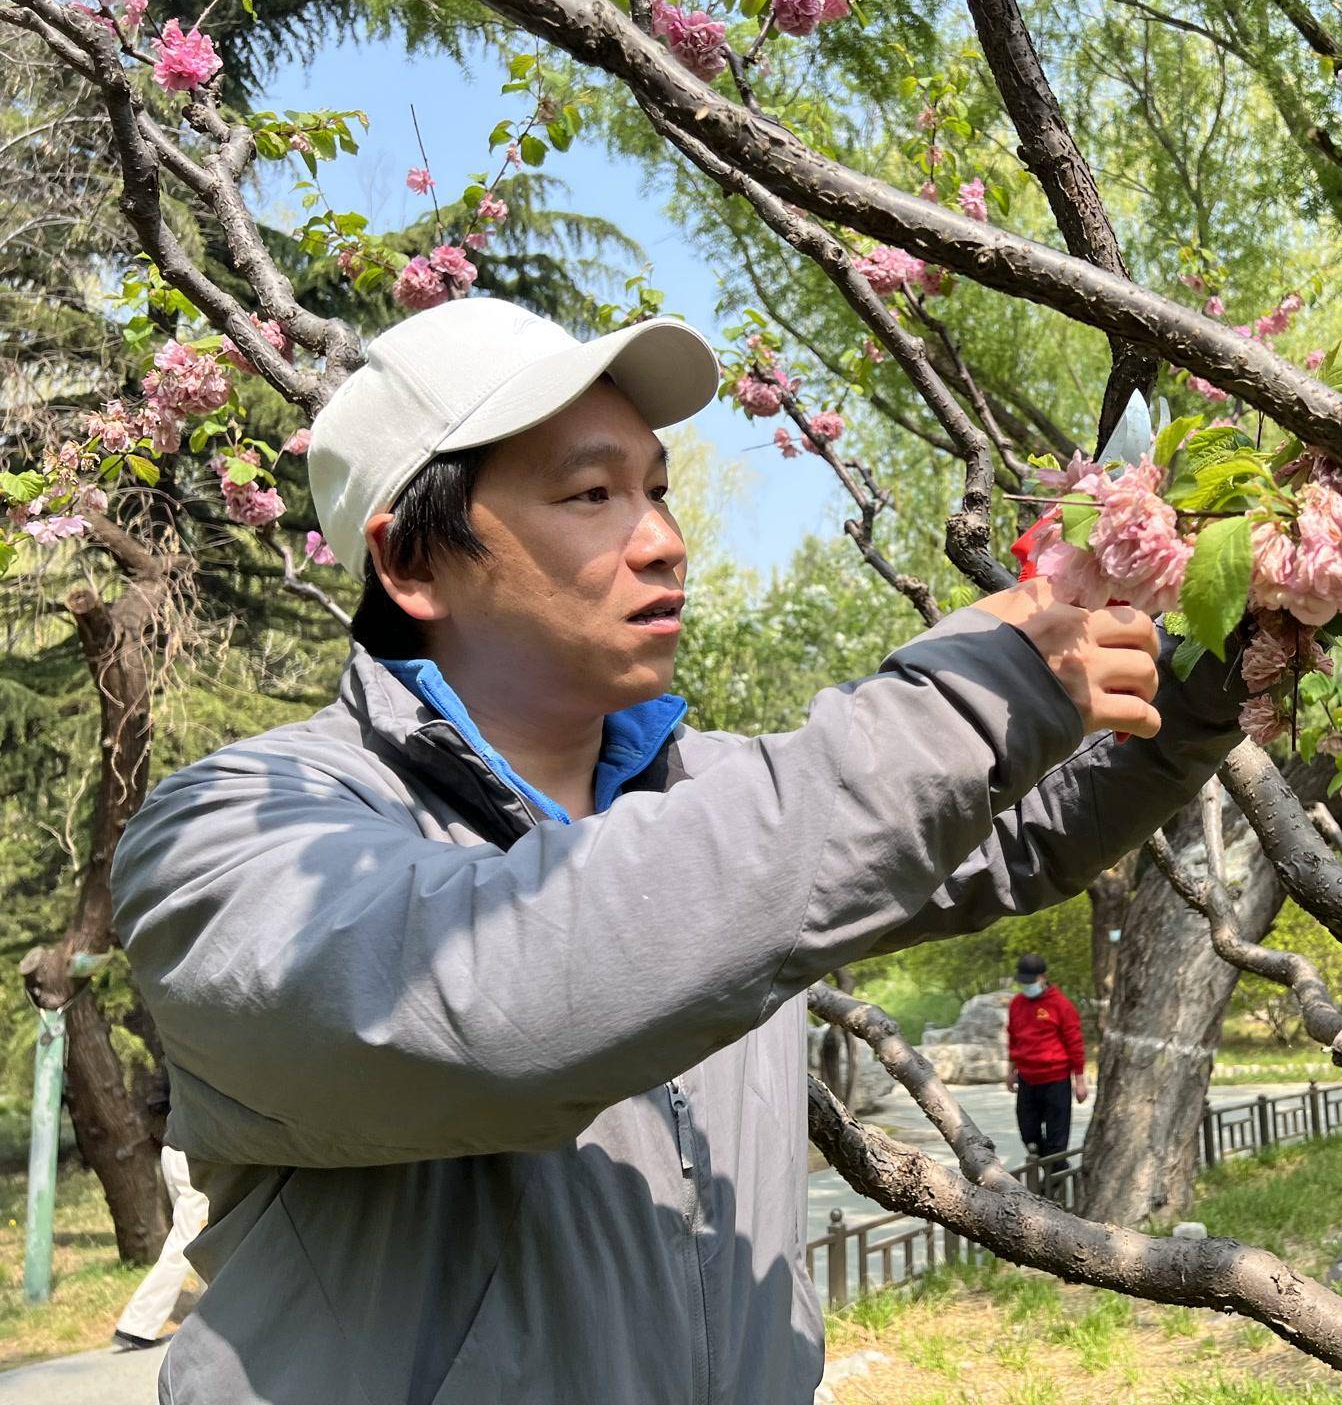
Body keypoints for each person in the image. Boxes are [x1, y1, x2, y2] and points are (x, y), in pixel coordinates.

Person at [111, 297, 1245, 1405]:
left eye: (656, 488)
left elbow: (1005, 844)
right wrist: (964, 708)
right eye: (592, 494)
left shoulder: (711, 803)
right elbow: (493, 996)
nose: (662, 539)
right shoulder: (239, 833)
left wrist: (1202, 693)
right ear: (412, 564)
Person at [110, 1145, 210, 1351]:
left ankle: (215, 1313)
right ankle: (137, 1325)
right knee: (186, 1241)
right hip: (193, 1150)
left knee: (203, 1236)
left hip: (177, 1146)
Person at [1004, 954, 1088, 1179]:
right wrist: (1010, 1071)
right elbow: (1014, 1038)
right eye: (1024, 982)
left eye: (1031, 982)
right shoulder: (1017, 1004)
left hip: (1056, 1080)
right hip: (1028, 1079)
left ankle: (1054, 1184)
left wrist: (1080, 1081)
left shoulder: (1061, 1005)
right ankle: (1053, 1171)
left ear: (1042, 978)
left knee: (1056, 1141)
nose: (1027, 986)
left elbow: (1075, 1043)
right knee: (1028, 1134)